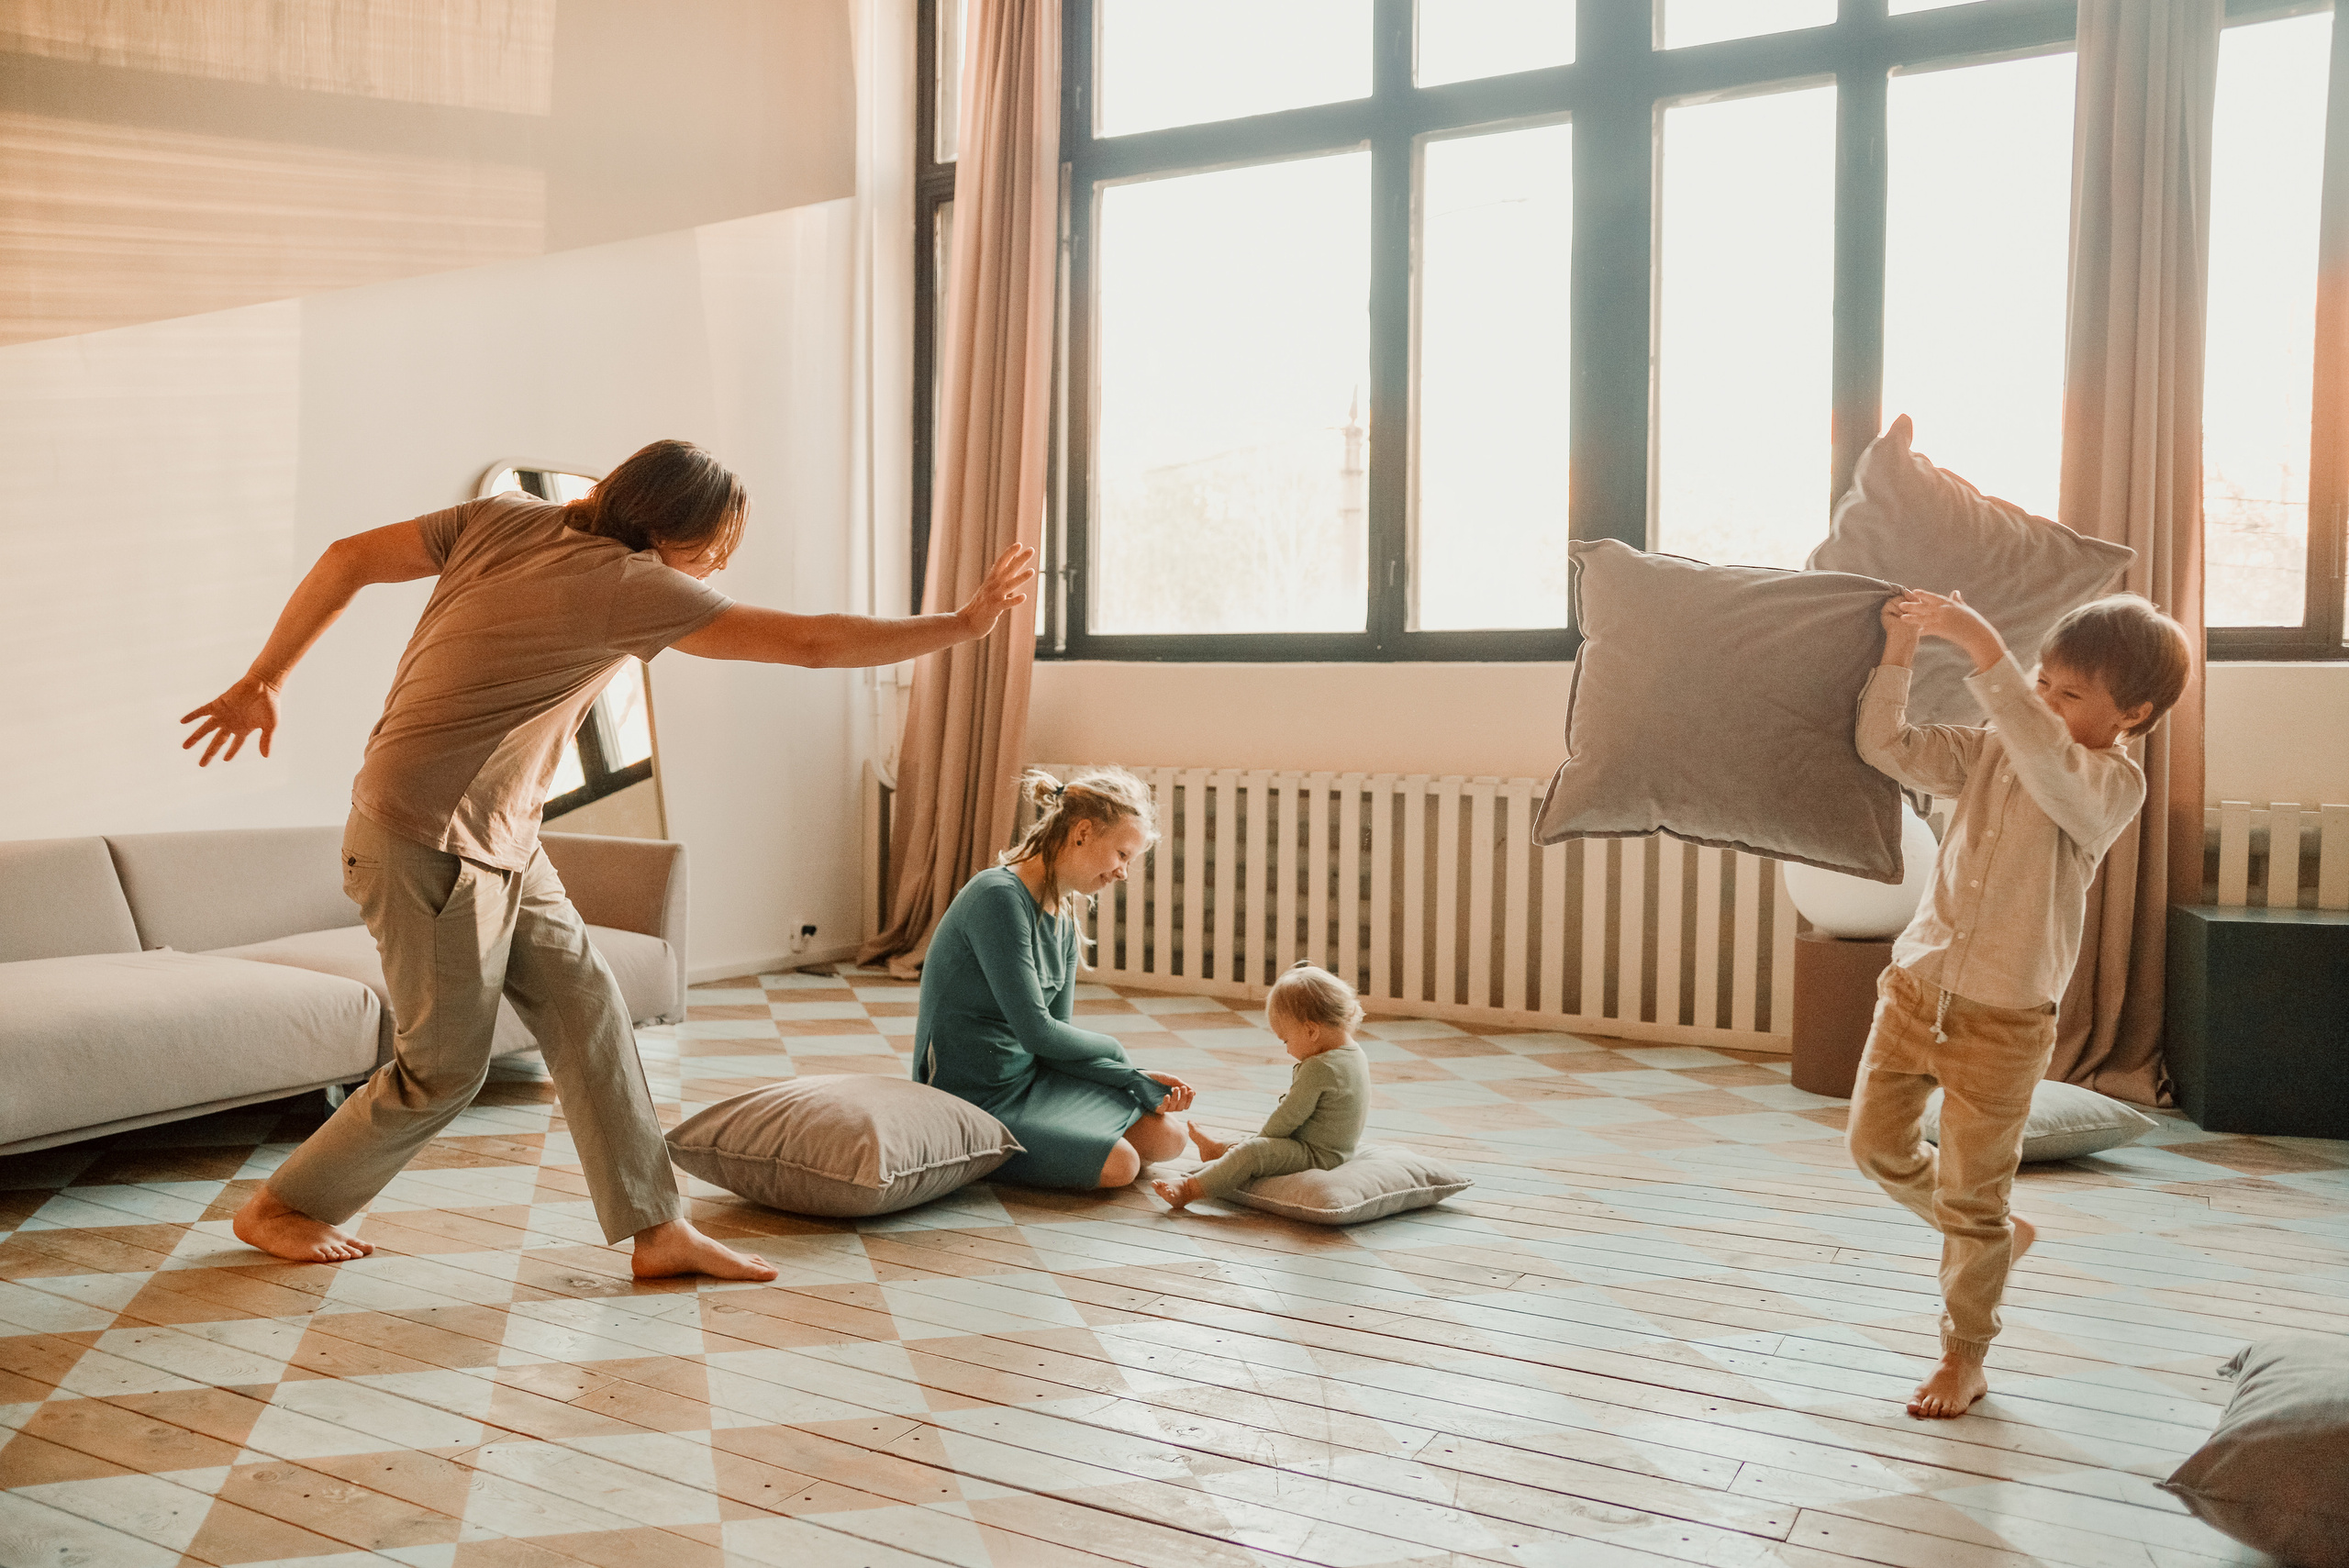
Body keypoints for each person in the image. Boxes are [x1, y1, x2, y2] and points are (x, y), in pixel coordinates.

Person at [179, 439, 1034, 1274]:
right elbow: (810, 644)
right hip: (428, 839)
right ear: (668, 532)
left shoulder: (502, 516)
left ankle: (659, 1229)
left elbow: (347, 556)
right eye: (715, 547)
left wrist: (266, 677)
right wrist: (963, 624)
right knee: (442, 1070)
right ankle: (283, 1207)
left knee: (590, 1010)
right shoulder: (631, 584)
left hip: (499, 835)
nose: (717, 566)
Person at [1848, 587, 2191, 1418]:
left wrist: (1982, 645)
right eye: (2041, 681)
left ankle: (1964, 1354)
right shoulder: (1994, 745)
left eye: (2069, 693)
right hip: (1914, 987)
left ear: (2133, 714)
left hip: (2003, 1021)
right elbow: (1884, 744)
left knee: (1974, 1197)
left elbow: (2050, 760)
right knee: (1874, 1146)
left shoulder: (2112, 784)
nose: (2042, 700)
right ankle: (1994, 1237)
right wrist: (1901, 647)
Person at [913, 768, 1195, 1188]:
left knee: (1169, 1138)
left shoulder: (1063, 914)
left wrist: (1136, 1079)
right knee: (1122, 1166)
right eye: (1122, 854)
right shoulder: (998, 897)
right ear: (1082, 832)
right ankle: (967, 1147)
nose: (1123, 872)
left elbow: (1056, 1043)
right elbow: (1038, 1033)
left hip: (1030, 1077)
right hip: (970, 1095)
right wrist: (1121, 1058)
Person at [1153, 962, 1368, 1211]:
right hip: (1338, 1149)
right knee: (1253, 1142)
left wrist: (1257, 1145)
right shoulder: (1354, 1053)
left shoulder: (1320, 1067)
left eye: (1286, 1040)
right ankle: (1218, 1150)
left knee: (1254, 1149)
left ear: (1311, 1031)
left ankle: (1189, 1189)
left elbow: (1287, 1118)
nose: (1287, 1049)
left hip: (1317, 1155)